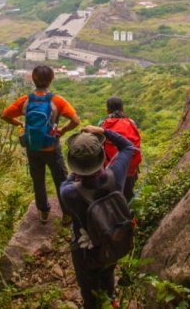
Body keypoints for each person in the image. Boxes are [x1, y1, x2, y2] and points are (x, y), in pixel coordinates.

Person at [59, 125, 137, 309]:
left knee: (89, 292)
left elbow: (69, 180)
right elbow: (127, 147)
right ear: (101, 157)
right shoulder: (115, 174)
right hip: (113, 240)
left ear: (73, 163)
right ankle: (110, 300)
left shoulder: (68, 192)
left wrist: (77, 168)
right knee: (108, 273)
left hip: (86, 252)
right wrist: (102, 131)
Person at [1, 65, 80, 222]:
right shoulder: (57, 101)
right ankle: (67, 214)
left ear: (33, 79)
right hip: (51, 147)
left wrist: (20, 124)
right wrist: (62, 130)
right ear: (51, 80)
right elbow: (75, 121)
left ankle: (43, 212)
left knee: (38, 179)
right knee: (61, 179)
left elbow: (5, 115)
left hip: (32, 146)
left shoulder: (26, 100)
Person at [100, 97, 143, 201]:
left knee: (114, 197)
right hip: (131, 167)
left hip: (113, 169)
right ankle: (130, 215)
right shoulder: (131, 122)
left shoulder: (103, 125)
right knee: (129, 196)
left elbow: (101, 147)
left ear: (108, 110)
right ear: (122, 108)